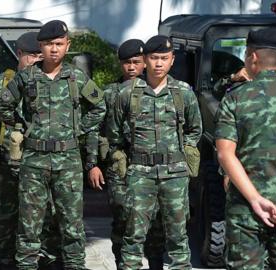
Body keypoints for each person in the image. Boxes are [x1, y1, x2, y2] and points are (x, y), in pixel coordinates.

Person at [0, 20, 106, 270]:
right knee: (29, 229)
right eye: (48, 45)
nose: (53, 49)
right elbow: (4, 105)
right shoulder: (27, 76)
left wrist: (78, 129)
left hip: (67, 162)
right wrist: (22, 128)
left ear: (67, 46)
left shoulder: (76, 77)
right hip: (34, 162)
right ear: (40, 47)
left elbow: (99, 106)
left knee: (72, 228)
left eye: (58, 44)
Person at [106, 35, 202, 269]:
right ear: (145, 60)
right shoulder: (127, 93)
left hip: (175, 175)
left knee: (178, 238)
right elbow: (114, 132)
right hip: (140, 174)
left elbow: (194, 129)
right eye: (154, 58)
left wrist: (181, 158)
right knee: (133, 237)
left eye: (164, 58)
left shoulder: (183, 93)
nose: (158, 63)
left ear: (172, 60)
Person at [0, 31, 51, 270]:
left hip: (42, 166)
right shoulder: (0, 84)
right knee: (4, 222)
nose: (38, 61)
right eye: (32, 56)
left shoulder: (49, 82)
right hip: (8, 168)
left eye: (41, 56)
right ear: (19, 54)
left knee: (45, 220)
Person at [215, 27, 276, 269]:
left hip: (246, 210)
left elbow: (225, 154)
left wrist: (255, 199)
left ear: (253, 57)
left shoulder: (235, 98)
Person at [100, 39, 165, 269]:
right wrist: (94, 164)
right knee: (124, 219)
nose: (131, 67)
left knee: (156, 222)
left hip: (151, 168)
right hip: (121, 168)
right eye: (126, 63)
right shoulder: (110, 93)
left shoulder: (160, 93)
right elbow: (97, 130)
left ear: (145, 63)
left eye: (136, 62)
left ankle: (156, 263)